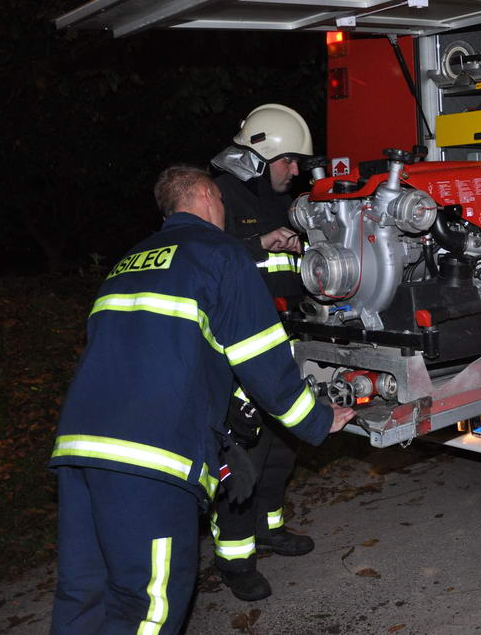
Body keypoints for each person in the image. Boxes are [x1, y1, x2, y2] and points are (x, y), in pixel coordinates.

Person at [49, 165, 355, 634]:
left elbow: (144, 353)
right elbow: (261, 359)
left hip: (79, 450)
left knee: (83, 594)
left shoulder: (128, 261)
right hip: (149, 458)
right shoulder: (220, 253)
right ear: (209, 197)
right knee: (148, 606)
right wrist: (317, 419)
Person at [208, 104, 315, 601]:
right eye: (289, 160)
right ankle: (235, 562)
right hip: (240, 353)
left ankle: (269, 528)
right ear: (260, 155)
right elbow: (206, 258)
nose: (295, 170)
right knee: (243, 457)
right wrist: (257, 243)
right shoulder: (219, 196)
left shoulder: (282, 201)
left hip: (283, 346)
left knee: (280, 449)